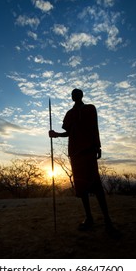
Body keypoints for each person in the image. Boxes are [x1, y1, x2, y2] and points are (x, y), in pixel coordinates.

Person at [49, 88, 114, 232]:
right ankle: (89, 217)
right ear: (72, 97)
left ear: (82, 95)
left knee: (96, 185)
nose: (75, 95)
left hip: (89, 151)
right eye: (73, 94)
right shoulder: (70, 114)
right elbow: (68, 132)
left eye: (77, 93)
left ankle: (107, 219)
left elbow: (94, 128)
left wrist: (98, 146)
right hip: (75, 153)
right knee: (81, 187)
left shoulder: (90, 109)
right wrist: (55, 134)